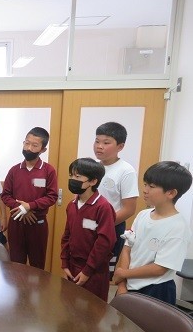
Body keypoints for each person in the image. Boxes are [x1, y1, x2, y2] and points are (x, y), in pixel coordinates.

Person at [114, 161, 193, 305]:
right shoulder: (142, 215)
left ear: (171, 193)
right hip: (127, 283)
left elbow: (160, 268)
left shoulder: (178, 227)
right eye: (145, 184)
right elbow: (127, 248)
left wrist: (123, 273)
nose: (145, 190)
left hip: (155, 290)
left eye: (151, 186)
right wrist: (122, 283)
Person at [1, 127, 58, 269]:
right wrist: (22, 209)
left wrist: (30, 206)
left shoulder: (48, 170)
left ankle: (36, 285)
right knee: (16, 264)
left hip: (37, 223)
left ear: (43, 149)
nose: (28, 148)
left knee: (37, 265)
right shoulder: (14, 170)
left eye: (34, 145)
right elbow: (5, 195)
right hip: (16, 222)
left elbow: (52, 196)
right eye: (26, 143)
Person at [60, 158, 116, 301]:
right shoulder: (72, 205)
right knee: (69, 304)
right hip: (72, 266)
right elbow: (67, 236)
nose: (72, 180)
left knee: (91, 308)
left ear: (93, 181)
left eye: (78, 176)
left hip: (94, 270)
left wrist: (87, 270)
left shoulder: (103, 207)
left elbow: (105, 242)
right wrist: (65, 263)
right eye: (71, 175)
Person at [94, 122, 139, 279]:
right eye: (97, 141)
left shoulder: (126, 171)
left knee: (102, 274)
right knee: (84, 270)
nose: (99, 146)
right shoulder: (92, 168)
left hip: (111, 228)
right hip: (89, 226)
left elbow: (129, 209)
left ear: (120, 146)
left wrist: (103, 225)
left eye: (106, 143)